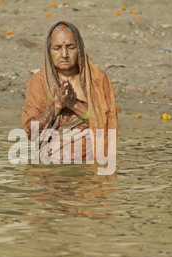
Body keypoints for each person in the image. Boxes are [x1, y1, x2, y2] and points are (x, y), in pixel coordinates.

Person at [22, 21, 118, 165]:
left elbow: (109, 127)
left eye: (71, 47)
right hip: (51, 168)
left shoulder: (96, 79)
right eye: (57, 48)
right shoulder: (39, 82)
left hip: (91, 165)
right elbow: (31, 132)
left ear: (79, 49)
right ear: (48, 51)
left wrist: (75, 105)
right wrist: (57, 106)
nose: (64, 54)